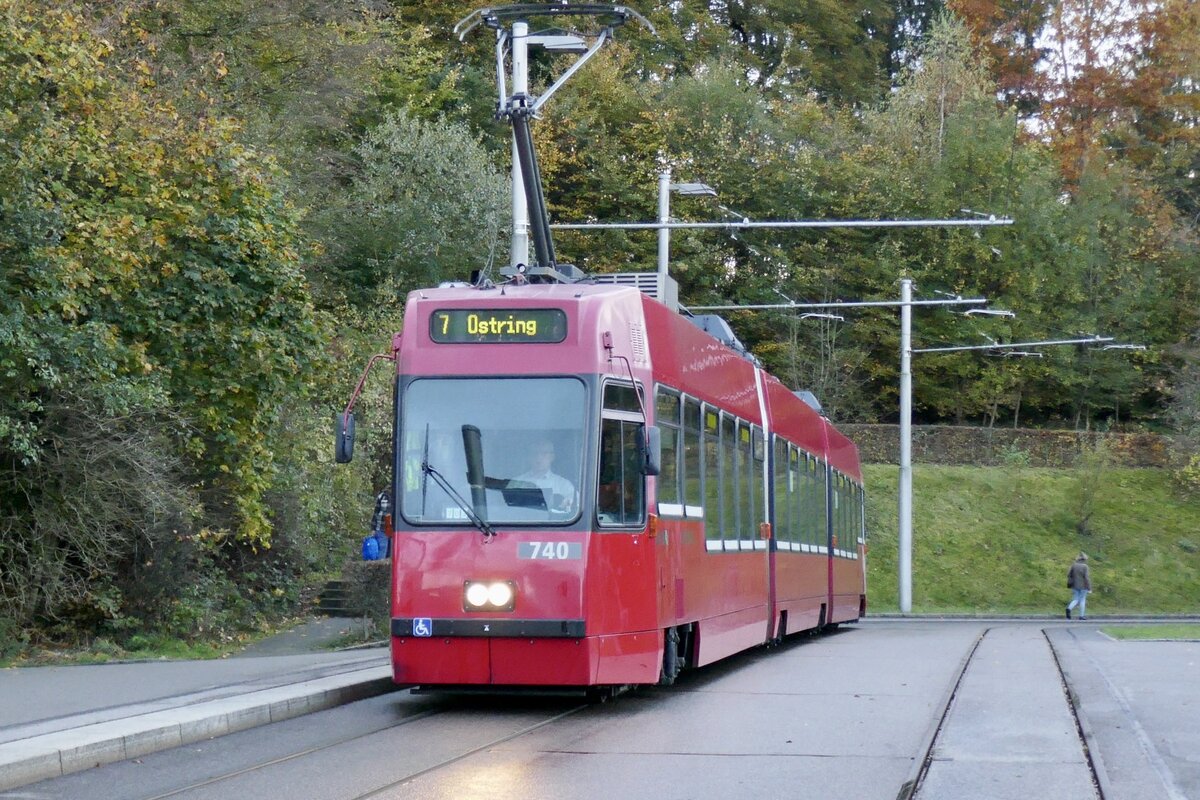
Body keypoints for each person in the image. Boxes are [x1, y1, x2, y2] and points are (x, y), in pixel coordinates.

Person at [514, 438, 576, 512]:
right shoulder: (516, 483)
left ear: (552, 457)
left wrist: (568, 502)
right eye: (534, 453)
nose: (538, 458)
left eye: (544, 453)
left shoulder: (564, 485)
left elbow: (576, 504)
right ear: (528, 457)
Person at [1066, 552, 1091, 620]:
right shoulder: (1085, 567)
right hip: (1083, 586)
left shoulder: (1073, 565)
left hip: (1074, 585)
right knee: (1082, 600)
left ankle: (1069, 608)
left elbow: (1068, 574)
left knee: (1075, 599)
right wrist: (1089, 587)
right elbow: (1086, 578)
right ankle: (1081, 616)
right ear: (1084, 560)